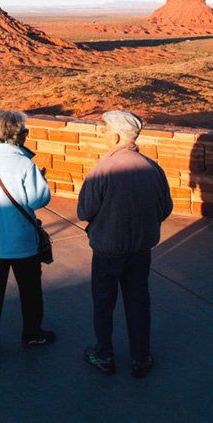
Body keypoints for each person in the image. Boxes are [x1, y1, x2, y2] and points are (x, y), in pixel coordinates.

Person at [78, 110, 171, 378]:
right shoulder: (153, 168)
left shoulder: (102, 169)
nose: (104, 135)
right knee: (139, 302)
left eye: (106, 130)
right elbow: (165, 208)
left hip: (108, 250)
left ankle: (103, 354)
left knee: (103, 304)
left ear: (117, 135)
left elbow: (85, 211)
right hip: (141, 250)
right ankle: (140, 358)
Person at [0, 110, 55, 369]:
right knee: (30, 292)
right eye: (25, 131)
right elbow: (38, 200)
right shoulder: (26, 166)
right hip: (23, 245)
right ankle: (32, 334)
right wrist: (42, 181)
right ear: (18, 136)